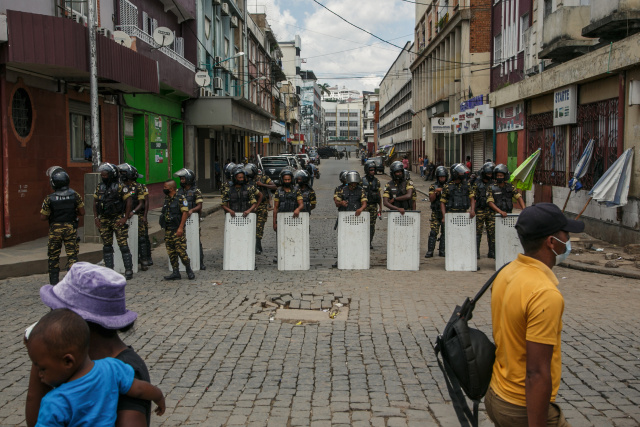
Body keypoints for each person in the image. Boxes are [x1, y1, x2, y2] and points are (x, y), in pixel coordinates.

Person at [485, 203, 584, 427]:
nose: (568, 240)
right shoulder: (545, 294)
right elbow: (536, 372)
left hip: (496, 393)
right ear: (551, 242)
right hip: (520, 406)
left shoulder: (506, 272)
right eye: (565, 234)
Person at [26, 262, 155, 427]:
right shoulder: (75, 366)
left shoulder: (124, 369)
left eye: (54, 313)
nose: (48, 321)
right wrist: (41, 358)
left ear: (77, 323)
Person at [25, 309, 165, 426]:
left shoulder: (54, 403)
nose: (39, 375)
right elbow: (140, 389)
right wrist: (158, 396)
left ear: (68, 361)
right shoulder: (111, 368)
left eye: (42, 369)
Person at [40, 167, 85, 285]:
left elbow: (43, 217)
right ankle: (73, 282)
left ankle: (54, 283)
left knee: (53, 256)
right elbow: (82, 212)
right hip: (70, 228)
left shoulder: (49, 198)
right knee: (72, 255)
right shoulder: (75, 195)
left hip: (55, 230)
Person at [94, 163, 134, 280]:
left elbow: (129, 201)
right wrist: (96, 217)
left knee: (123, 245)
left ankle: (128, 270)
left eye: (105, 174)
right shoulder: (99, 187)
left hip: (117, 218)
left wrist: (125, 217)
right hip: (104, 219)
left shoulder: (120, 186)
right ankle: (109, 271)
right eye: (102, 174)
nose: (103, 176)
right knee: (107, 246)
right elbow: (95, 202)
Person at [160, 179, 195, 280]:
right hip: (168, 229)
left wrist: (180, 228)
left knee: (181, 251)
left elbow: (185, 213)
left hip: (177, 229)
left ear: (171, 189)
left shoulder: (180, 198)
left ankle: (189, 270)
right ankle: (176, 272)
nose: (164, 189)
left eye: (165, 187)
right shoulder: (167, 199)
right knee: (171, 252)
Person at [117, 164, 148, 270]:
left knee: (141, 238)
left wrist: (134, 212)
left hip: (136, 216)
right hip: (122, 216)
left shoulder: (138, 187)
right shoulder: (119, 186)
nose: (122, 175)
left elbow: (142, 203)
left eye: (124, 173)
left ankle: (144, 260)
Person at [333, 171, 367, 267]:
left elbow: (364, 203)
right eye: (352, 183)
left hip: (357, 218)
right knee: (343, 239)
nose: (353, 184)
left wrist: (361, 209)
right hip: (344, 217)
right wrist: (341, 203)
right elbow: (336, 203)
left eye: (355, 182)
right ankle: (340, 259)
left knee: (357, 238)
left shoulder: (361, 190)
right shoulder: (342, 190)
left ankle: (357, 258)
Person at [174, 168, 206, 270]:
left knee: (196, 240)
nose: (182, 181)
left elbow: (199, 205)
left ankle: (200, 261)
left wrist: (192, 210)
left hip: (193, 220)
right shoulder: (178, 191)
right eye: (181, 179)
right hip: (180, 220)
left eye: (183, 179)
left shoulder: (196, 191)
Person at [474, 162, 496, 259]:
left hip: (491, 211)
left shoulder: (494, 184)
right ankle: (476, 252)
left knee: (492, 232)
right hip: (479, 210)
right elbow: (472, 197)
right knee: (477, 232)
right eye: (488, 174)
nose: (489, 176)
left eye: (491, 174)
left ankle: (492, 252)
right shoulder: (477, 183)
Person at [425, 166, 448, 258]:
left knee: (444, 232)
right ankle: (430, 251)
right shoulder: (433, 186)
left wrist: (442, 190)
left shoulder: (448, 186)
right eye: (440, 177)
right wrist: (435, 192)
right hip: (436, 212)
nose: (442, 178)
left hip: (446, 212)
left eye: (443, 177)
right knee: (433, 232)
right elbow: (431, 199)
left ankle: (442, 250)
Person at [362, 161, 382, 249]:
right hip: (364, 206)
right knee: (363, 224)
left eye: (374, 170)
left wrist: (380, 207)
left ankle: (369, 241)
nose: (372, 172)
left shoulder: (376, 181)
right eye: (370, 170)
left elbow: (379, 195)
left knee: (372, 225)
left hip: (373, 206)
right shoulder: (361, 181)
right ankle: (362, 240)